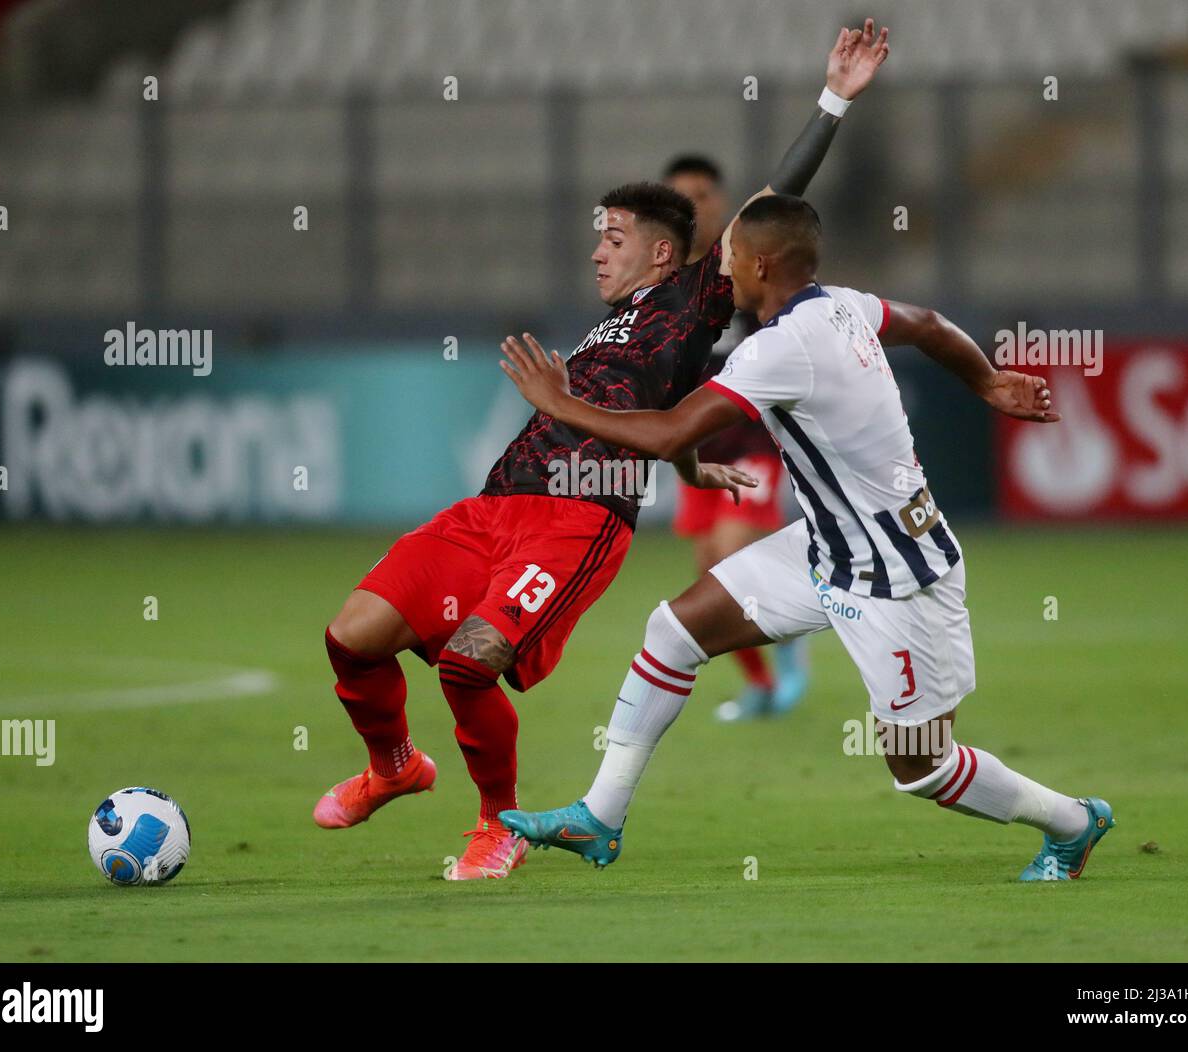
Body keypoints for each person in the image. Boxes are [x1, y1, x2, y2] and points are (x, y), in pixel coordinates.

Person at [313, 22, 892, 879]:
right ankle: (395, 768)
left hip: (577, 520)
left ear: (662, 251)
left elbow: (771, 198)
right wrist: (692, 463)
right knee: (351, 636)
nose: (596, 250)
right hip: (492, 507)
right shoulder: (611, 325)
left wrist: (834, 98)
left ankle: (495, 824)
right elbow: (650, 405)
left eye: (612, 238)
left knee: (471, 663)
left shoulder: (696, 295)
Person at [497, 193, 1115, 883]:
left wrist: (561, 405)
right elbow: (931, 324)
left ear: (760, 264)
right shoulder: (843, 305)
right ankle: (600, 815)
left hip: (896, 576)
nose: (721, 268)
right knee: (673, 631)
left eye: (730, 256)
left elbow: (671, 430)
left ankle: (1073, 822)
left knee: (922, 767)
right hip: (827, 548)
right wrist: (988, 382)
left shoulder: (783, 348)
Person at [664, 155, 809, 721]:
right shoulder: (662, 286)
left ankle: (794, 649)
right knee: (711, 582)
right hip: (697, 453)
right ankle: (764, 686)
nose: (694, 205)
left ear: (721, 203)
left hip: (749, 445)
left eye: (704, 193)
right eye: (682, 196)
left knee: (731, 556)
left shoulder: (739, 268)